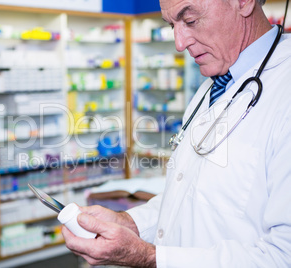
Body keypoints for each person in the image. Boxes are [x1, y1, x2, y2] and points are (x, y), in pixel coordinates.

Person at [61, 0, 291, 267]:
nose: (179, 43)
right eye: (172, 26)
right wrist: (129, 222)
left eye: (190, 21)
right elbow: (188, 197)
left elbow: (283, 256)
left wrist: (150, 257)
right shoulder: (212, 87)